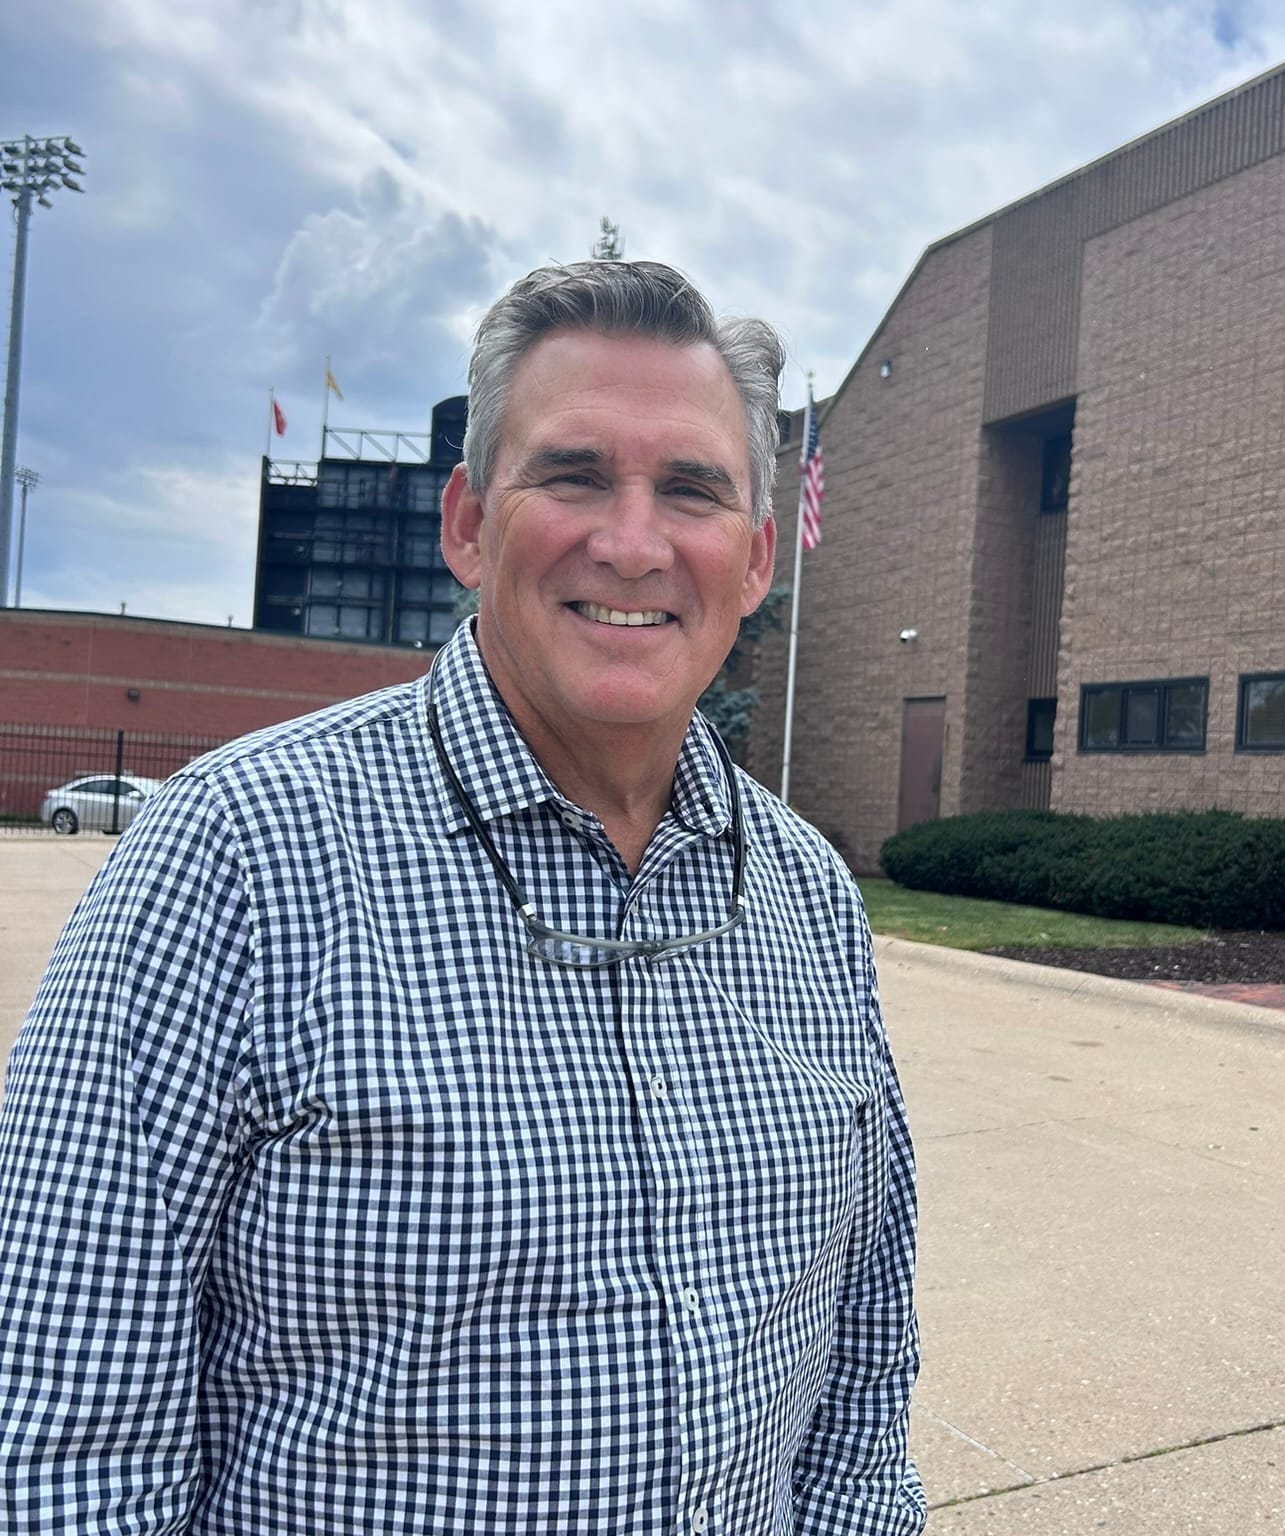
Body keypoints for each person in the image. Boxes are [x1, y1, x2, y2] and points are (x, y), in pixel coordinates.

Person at [0, 260, 925, 1534]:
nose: (634, 543)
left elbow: (862, 1376)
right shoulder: (231, 860)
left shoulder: (807, 895)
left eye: (692, 490)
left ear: (758, 556)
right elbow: (62, 1451)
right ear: (468, 526)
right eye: (574, 475)